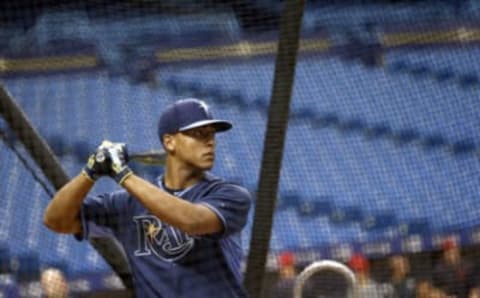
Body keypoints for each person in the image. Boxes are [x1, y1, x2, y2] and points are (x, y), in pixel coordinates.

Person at [43, 98, 253, 297]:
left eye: (211, 134)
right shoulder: (126, 204)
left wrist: (123, 175)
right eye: (198, 133)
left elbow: (193, 221)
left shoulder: (230, 195)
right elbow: (55, 220)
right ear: (169, 142)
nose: (210, 142)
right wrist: (90, 172)